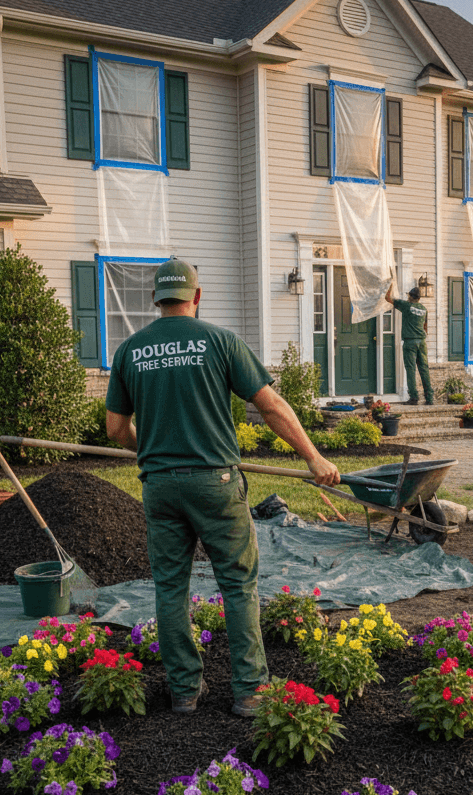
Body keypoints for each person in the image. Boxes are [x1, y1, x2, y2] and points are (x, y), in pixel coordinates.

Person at [105, 258, 340, 717]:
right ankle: (250, 691)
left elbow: (116, 428)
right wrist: (314, 457)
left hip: (159, 486)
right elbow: (270, 406)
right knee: (237, 584)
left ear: (156, 299)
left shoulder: (130, 350)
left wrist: (150, 449)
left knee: (170, 587)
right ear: (197, 296)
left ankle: (184, 691)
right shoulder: (220, 342)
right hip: (215, 482)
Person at [384, 284, 434, 405]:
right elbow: (425, 328)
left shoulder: (406, 306)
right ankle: (429, 398)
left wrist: (391, 284)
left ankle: (414, 397)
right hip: (422, 343)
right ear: (419, 298)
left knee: (411, 370)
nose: (407, 298)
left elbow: (387, 298)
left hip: (410, 342)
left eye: (408, 296)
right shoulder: (424, 309)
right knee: (424, 370)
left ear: (411, 297)